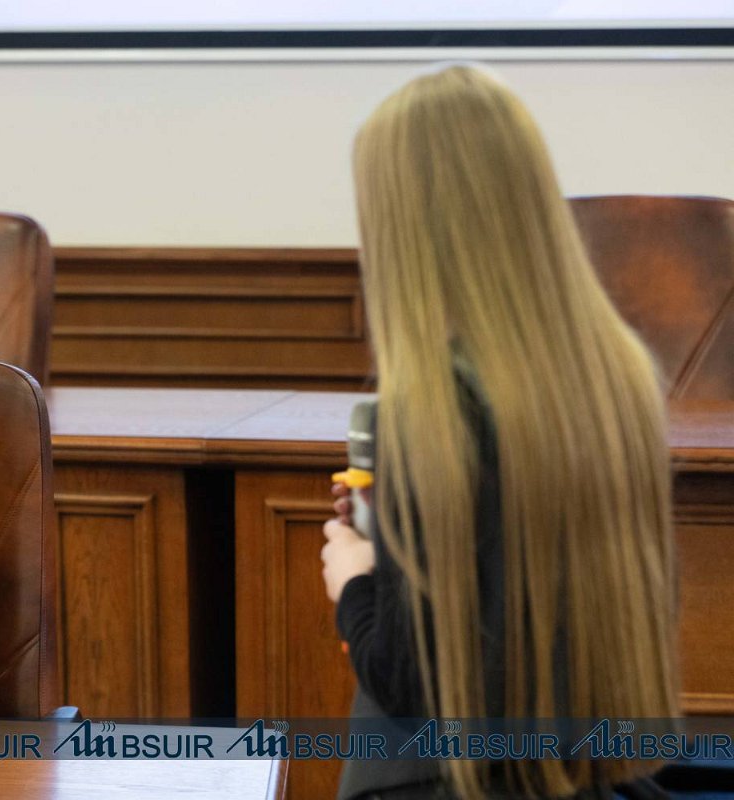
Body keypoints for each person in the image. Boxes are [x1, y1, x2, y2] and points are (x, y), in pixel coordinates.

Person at [321, 64, 678, 798]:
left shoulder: (433, 410)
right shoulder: (618, 381)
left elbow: (416, 687)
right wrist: (399, 530)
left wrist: (354, 581)